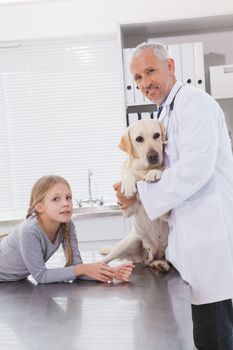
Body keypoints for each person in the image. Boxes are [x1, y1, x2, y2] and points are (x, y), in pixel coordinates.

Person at [115, 42, 233, 350]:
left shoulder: (194, 103)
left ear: (170, 67)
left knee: (216, 337)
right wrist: (133, 191)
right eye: (138, 78)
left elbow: (195, 169)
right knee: (207, 335)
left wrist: (139, 192)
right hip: (192, 242)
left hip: (211, 239)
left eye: (150, 71)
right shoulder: (164, 116)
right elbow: (159, 171)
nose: (144, 83)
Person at [0, 175, 134, 284]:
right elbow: (41, 276)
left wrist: (111, 273)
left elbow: (78, 269)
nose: (65, 203)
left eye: (68, 197)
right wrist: (81, 268)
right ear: (40, 207)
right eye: (56, 199)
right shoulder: (29, 231)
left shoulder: (67, 224)